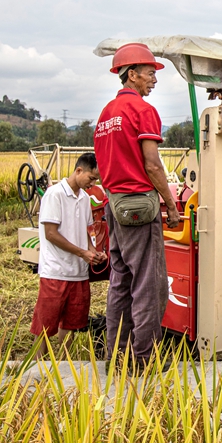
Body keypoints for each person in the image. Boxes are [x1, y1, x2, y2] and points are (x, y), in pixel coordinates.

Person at [93, 42, 181, 366]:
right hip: (140, 207)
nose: (154, 80)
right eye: (149, 73)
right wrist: (171, 206)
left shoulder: (106, 115)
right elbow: (153, 165)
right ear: (132, 75)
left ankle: (116, 357)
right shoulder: (144, 111)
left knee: (121, 282)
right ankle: (145, 361)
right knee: (149, 286)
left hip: (114, 207)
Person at [31, 152, 106, 358]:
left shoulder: (84, 198)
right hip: (56, 270)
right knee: (45, 324)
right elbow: (51, 234)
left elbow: (85, 232)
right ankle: (38, 366)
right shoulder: (55, 194)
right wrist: (83, 253)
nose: (93, 183)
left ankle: (65, 363)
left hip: (78, 272)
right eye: (91, 178)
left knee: (71, 322)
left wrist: (93, 253)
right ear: (79, 170)